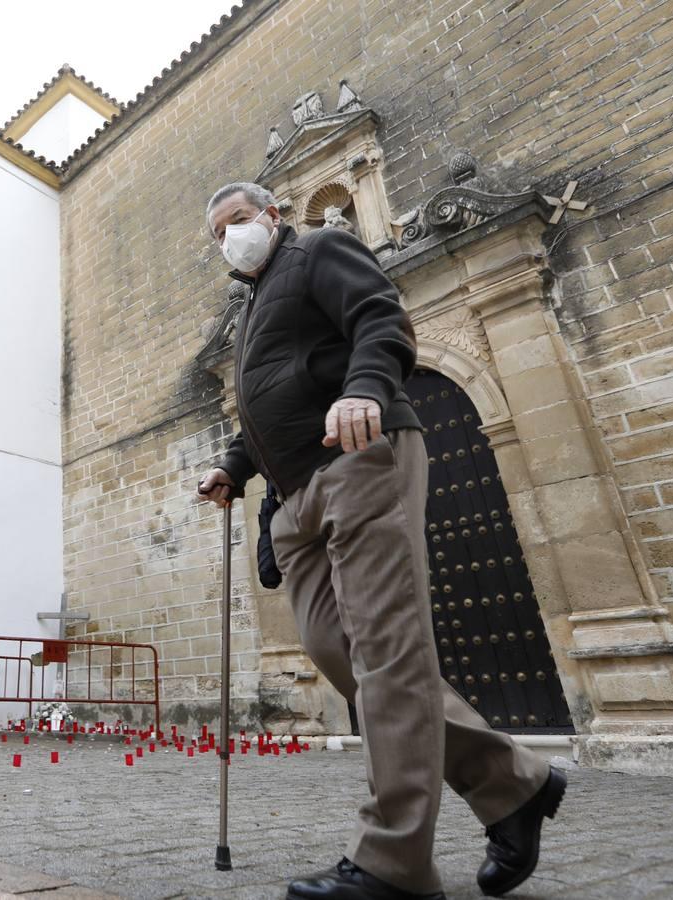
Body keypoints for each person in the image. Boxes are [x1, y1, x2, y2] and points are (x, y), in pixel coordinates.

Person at [195, 182, 564, 900]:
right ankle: (514, 782)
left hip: (358, 459)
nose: (228, 239)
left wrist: (364, 386)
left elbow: (379, 317)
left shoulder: (318, 250)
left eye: (236, 221)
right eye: (217, 235)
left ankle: (393, 862)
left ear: (272, 216)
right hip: (293, 495)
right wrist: (233, 465)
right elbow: (270, 399)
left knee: (386, 653)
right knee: (340, 652)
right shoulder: (251, 311)